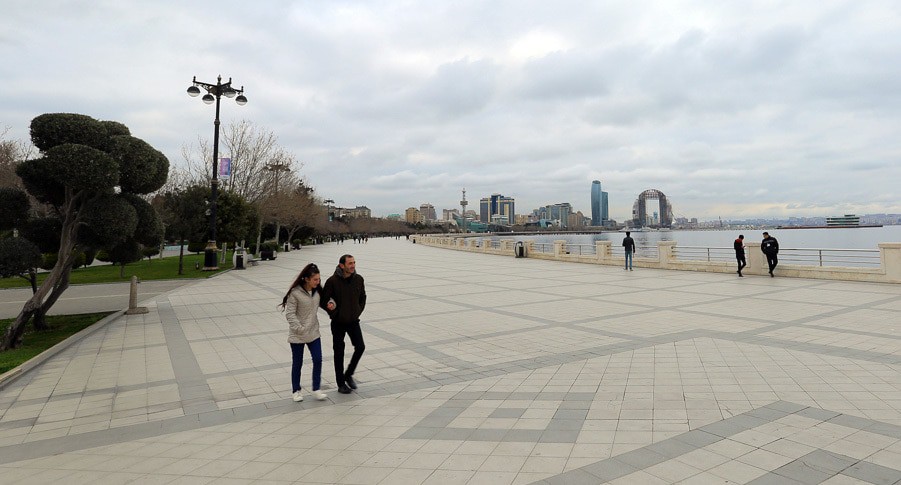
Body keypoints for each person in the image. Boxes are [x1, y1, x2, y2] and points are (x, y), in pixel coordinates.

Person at [280, 263, 334, 402]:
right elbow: (290, 314)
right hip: (298, 334)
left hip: (313, 332)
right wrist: (299, 328)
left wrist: (331, 304)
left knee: (318, 359)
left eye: (319, 279)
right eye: (315, 279)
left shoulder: (317, 291)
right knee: (297, 363)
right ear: (307, 279)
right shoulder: (295, 293)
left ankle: (316, 389)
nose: (318, 282)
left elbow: (326, 301)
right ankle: (296, 390)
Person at [321, 254, 367, 394]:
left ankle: (348, 374)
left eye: (354, 263)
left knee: (360, 347)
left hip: (353, 321)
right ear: (342, 265)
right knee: (339, 352)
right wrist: (335, 314)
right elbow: (324, 301)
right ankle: (340, 383)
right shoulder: (332, 281)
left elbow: (363, 297)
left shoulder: (358, 279)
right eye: (350, 263)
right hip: (338, 323)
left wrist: (358, 311)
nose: (353, 266)